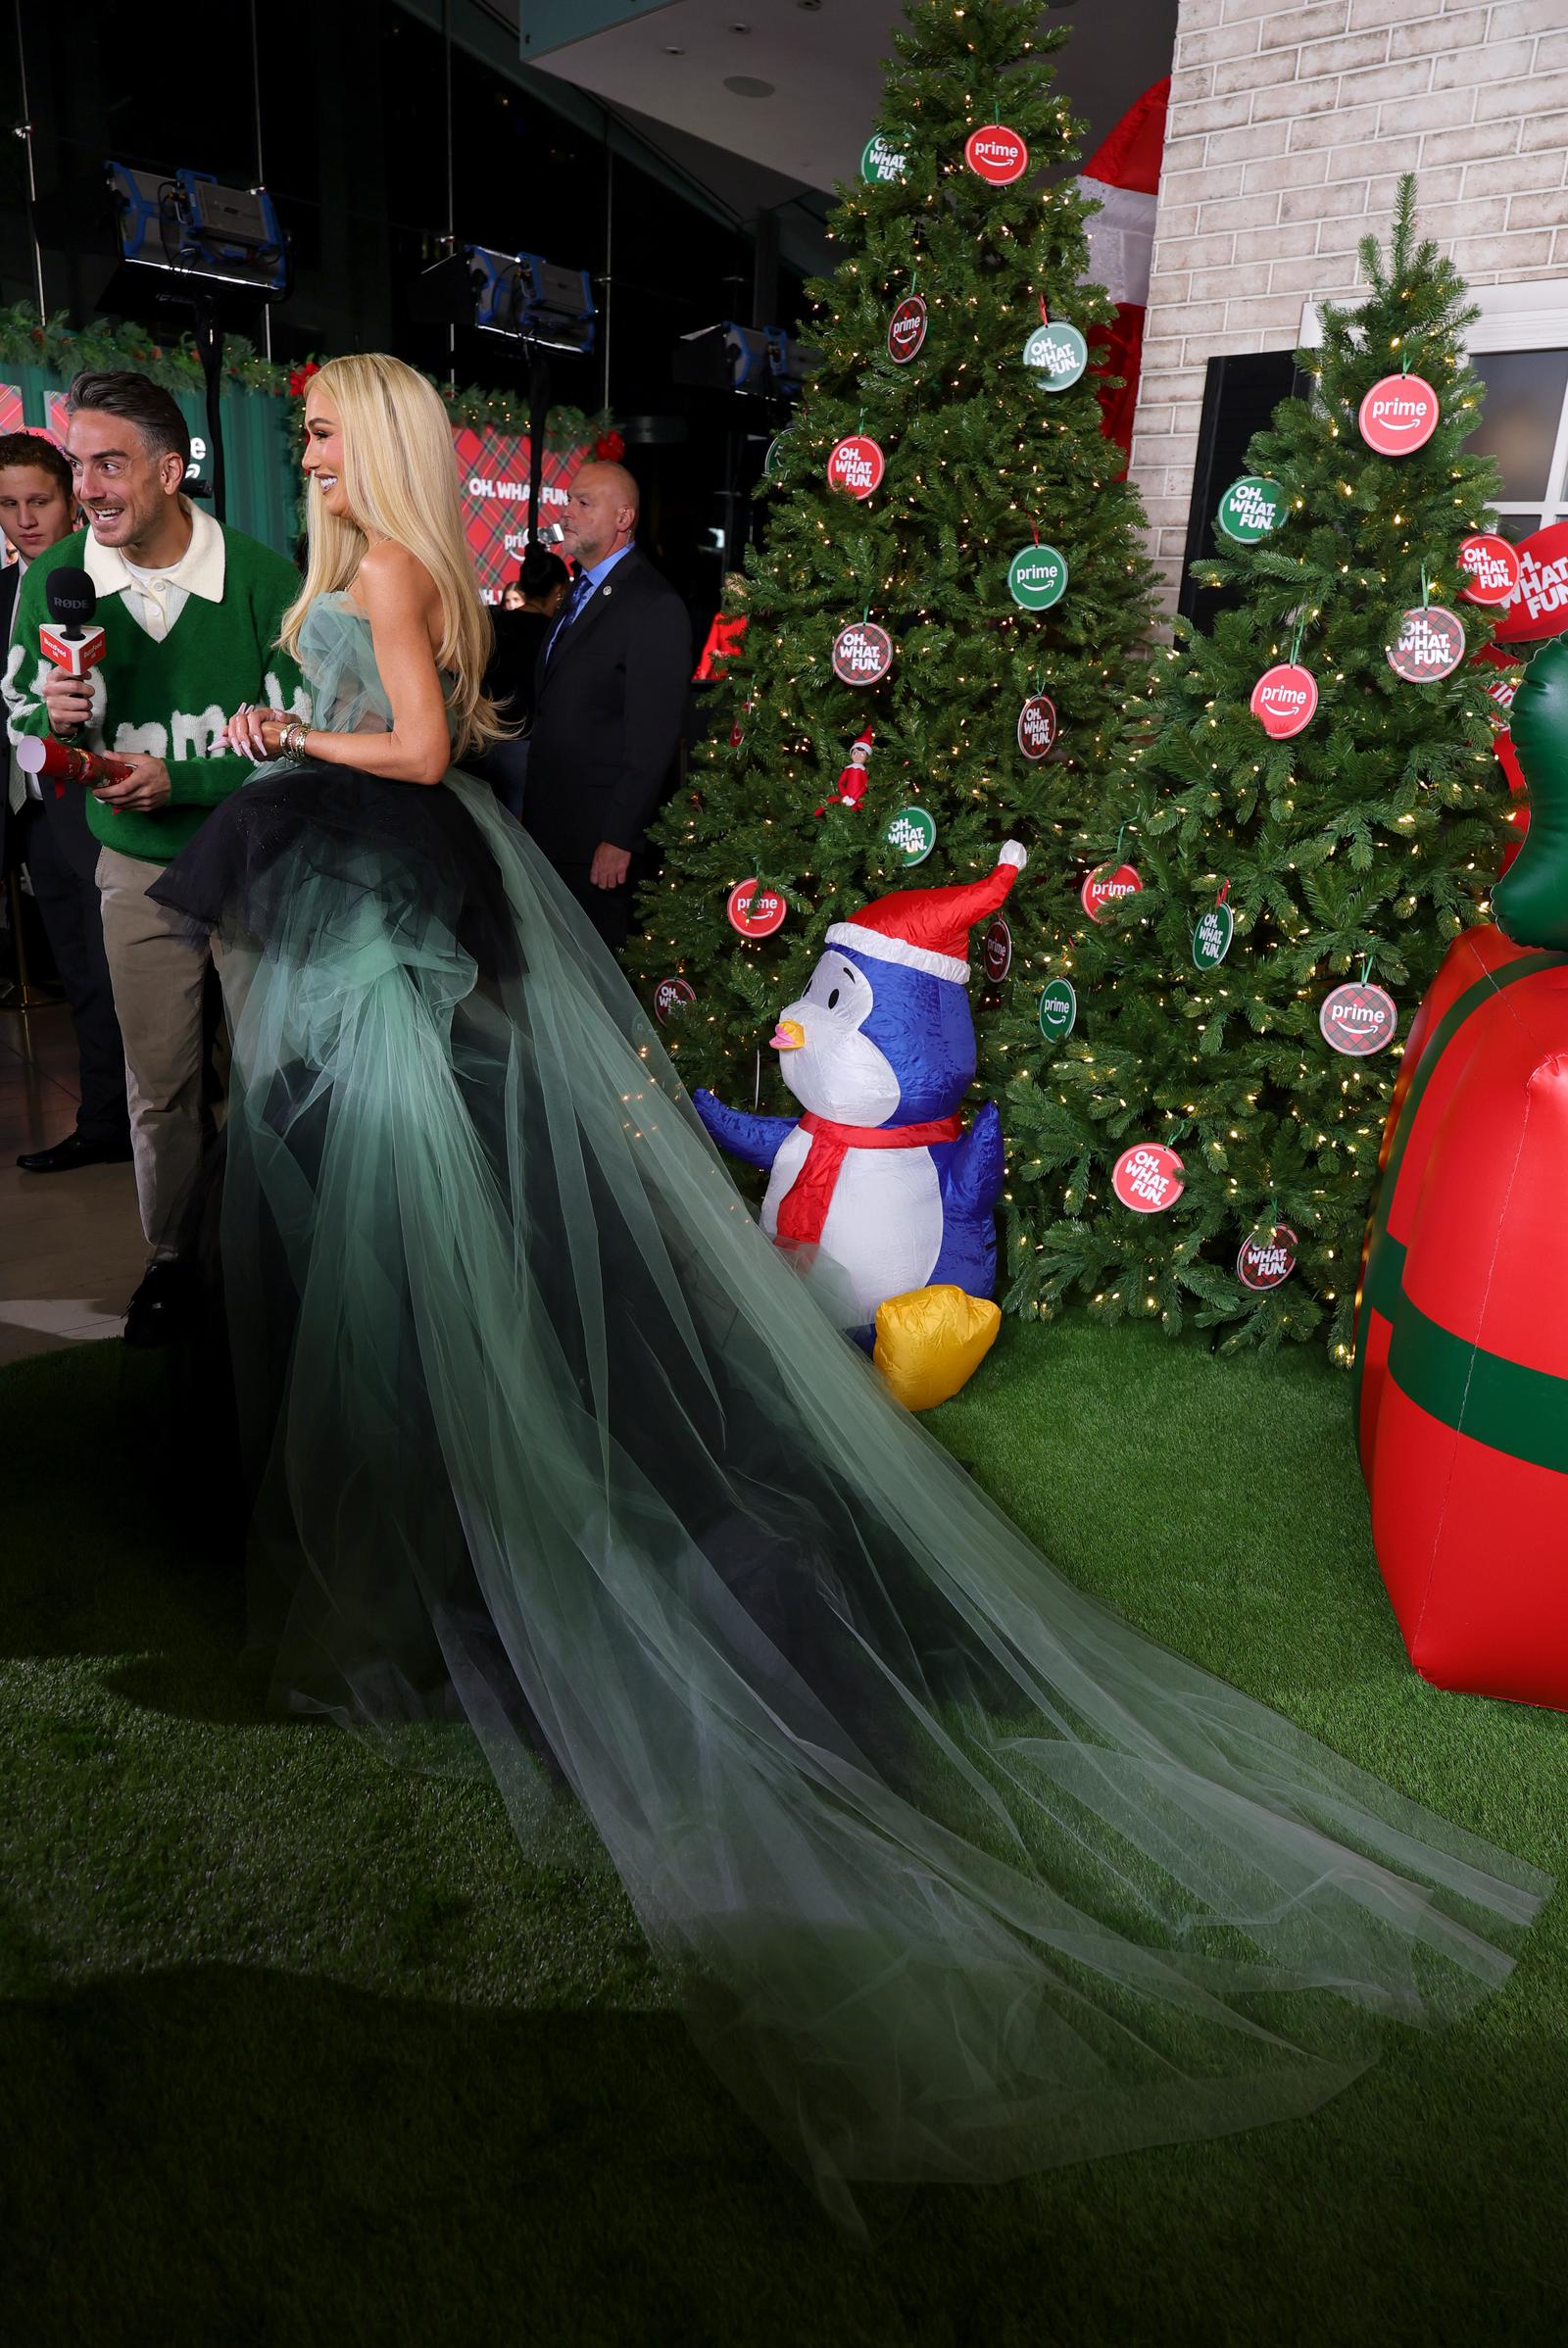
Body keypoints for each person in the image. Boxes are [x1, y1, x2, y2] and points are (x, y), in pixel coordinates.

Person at [148, 352, 1544, 2240]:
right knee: (381, 1243)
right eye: (299, 426)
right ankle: (412, 1494)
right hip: (367, 922)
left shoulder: (386, 570)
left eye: (322, 425)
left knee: (434, 1247)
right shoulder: (363, 561)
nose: (304, 443)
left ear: (372, 442)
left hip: (384, 909)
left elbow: (414, 749)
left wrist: (281, 743)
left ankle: (467, 1526)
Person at [3, 371, 305, 1345]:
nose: (87, 486)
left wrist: (185, 781)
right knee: (162, 1084)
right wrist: (55, 731)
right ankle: (175, 1263)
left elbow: (305, 737)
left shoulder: (259, 577)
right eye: (78, 462)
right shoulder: (58, 589)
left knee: (271, 1076)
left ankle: (279, 1252)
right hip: (133, 870)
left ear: (171, 471)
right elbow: (16, 715)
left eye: (110, 462)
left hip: (254, 860)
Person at [0, 431, 132, 1171]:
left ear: (71, 499)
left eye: (38, 500)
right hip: (33, 813)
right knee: (80, 973)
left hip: (104, 801)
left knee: (125, 973)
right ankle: (104, 1120)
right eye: (8, 504)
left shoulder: (104, 580)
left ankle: (150, 1118)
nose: (24, 518)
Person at [521, 460, 689, 952]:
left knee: (596, 987)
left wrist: (618, 838)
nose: (566, 512)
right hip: (553, 826)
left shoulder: (653, 605)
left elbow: (651, 740)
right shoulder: (580, 589)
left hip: (597, 843)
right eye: (569, 500)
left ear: (623, 518)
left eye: (583, 503)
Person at [472, 544, 569, 820]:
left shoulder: (494, 623)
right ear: (558, 590)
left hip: (488, 740)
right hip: (529, 746)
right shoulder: (555, 636)